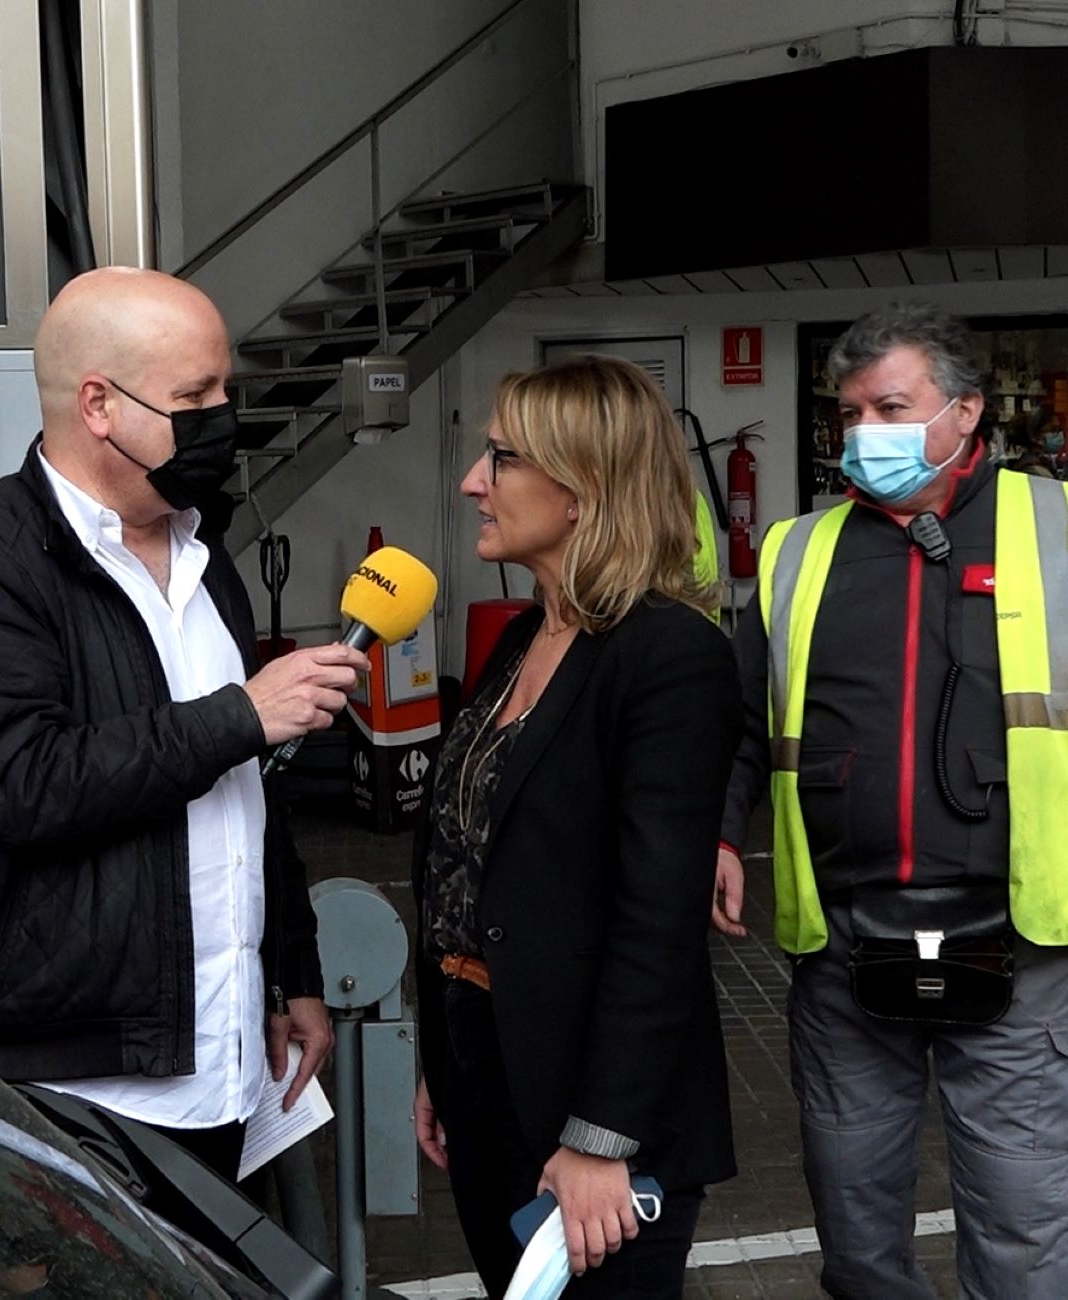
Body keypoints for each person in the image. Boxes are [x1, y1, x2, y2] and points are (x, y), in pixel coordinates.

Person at [712, 303, 1068, 1298]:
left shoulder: (1061, 527)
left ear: (965, 413)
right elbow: (746, 723)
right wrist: (717, 832)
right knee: (857, 1246)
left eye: (891, 406)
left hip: (1014, 953)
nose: (862, 434)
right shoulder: (798, 552)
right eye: (849, 413)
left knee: (1027, 1248)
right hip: (840, 954)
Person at [0, 267, 368, 1179]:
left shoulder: (200, 554)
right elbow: (18, 784)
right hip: (76, 1088)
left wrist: (287, 971)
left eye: (225, 389)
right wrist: (239, 715)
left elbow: (244, 799)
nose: (223, 416)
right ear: (99, 406)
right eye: (195, 396)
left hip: (219, 1065)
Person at [412, 355, 741, 1296]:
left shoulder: (670, 655)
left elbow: (658, 920)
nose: (474, 481)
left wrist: (600, 1138)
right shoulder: (523, 638)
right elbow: (468, 867)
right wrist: (444, 1053)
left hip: (597, 1113)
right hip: (487, 1066)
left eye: (501, 459)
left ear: (583, 489)